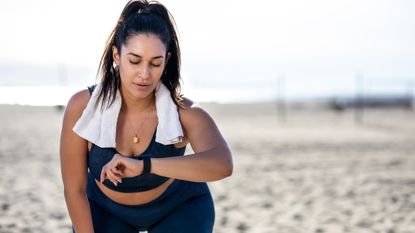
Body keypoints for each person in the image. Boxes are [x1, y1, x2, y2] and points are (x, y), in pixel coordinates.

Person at [59, 1, 233, 232]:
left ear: (166, 62)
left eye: (155, 63)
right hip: (104, 210)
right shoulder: (82, 107)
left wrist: (145, 166)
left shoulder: (184, 112)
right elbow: (75, 190)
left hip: (179, 208)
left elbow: (223, 164)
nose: (144, 74)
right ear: (116, 55)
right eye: (134, 60)